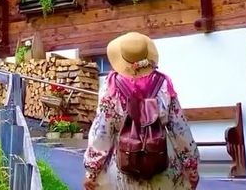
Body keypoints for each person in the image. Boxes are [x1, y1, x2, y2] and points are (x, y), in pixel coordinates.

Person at [83, 32, 199, 190]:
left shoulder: (111, 88)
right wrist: (191, 165)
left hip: (123, 170)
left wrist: (92, 171)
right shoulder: (163, 84)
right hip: (162, 164)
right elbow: (180, 129)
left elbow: (101, 132)